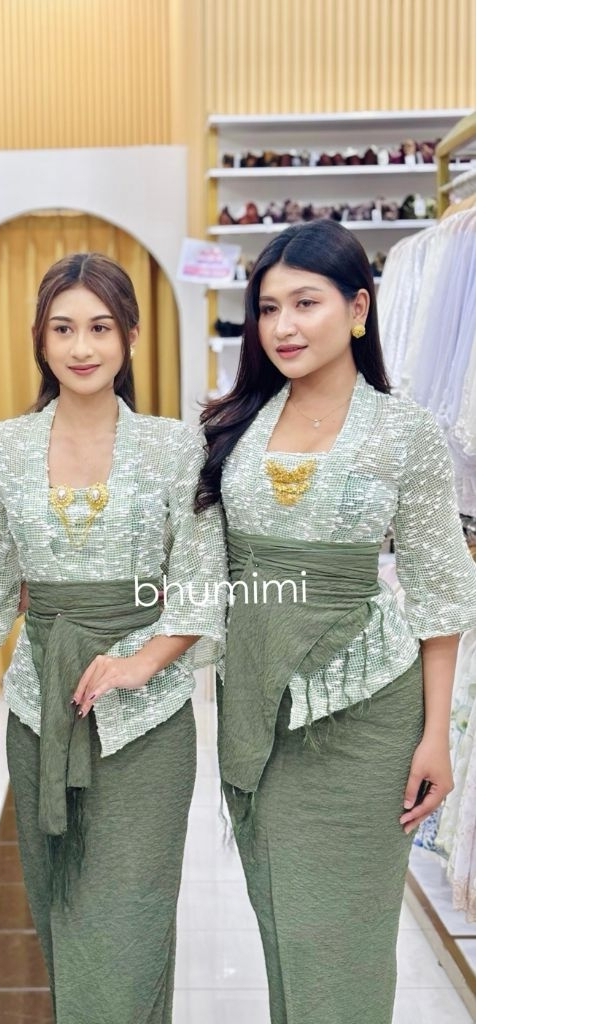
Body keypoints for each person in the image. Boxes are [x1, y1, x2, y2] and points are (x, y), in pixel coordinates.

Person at [195, 218, 476, 1024]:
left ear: (357, 309)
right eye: (268, 307)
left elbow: (437, 590)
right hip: (257, 716)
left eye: (305, 303)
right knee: (284, 930)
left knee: (344, 943)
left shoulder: (406, 431)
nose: (283, 326)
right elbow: (199, 572)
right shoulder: (231, 427)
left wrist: (435, 737)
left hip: (369, 718)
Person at [0, 252, 227, 1023]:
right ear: (40, 340)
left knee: (132, 915)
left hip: (149, 720)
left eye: (101, 328)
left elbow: (202, 578)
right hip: (40, 708)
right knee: (60, 907)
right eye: (64, 328)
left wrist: (142, 662)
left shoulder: (175, 445)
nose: (82, 347)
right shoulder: (6, 445)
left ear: (131, 337)